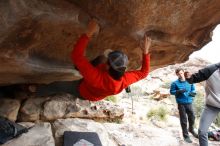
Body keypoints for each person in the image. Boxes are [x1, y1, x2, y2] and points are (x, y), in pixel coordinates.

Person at [32, 19, 152, 101]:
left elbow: (77, 55)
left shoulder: (95, 77)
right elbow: (144, 73)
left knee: (57, 85)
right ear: (123, 68)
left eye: (108, 61)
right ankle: (81, 68)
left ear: (108, 66)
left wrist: (88, 33)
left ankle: (36, 91)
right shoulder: (124, 80)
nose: (106, 61)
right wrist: (145, 52)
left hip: (82, 91)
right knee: (99, 59)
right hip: (95, 91)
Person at [185, 62, 220, 146]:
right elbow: (194, 78)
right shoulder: (211, 69)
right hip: (212, 106)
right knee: (202, 131)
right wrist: (189, 77)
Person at [170, 68, 198, 143]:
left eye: (181, 73)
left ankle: (191, 129)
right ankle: (186, 136)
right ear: (177, 75)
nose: (180, 75)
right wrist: (178, 91)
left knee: (192, 117)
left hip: (189, 102)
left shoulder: (189, 81)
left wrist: (192, 95)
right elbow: (172, 92)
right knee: (183, 120)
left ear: (183, 73)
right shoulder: (174, 83)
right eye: (178, 74)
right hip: (181, 103)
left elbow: (193, 90)